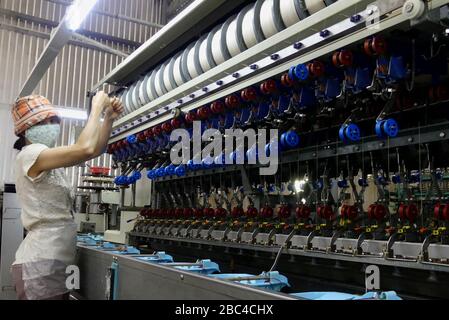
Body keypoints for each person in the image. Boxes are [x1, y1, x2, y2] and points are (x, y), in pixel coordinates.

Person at [10, 91, 123, 300]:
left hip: (55, 261)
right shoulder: (30, 155)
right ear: (26, 129)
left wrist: (107, 119)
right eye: (46, 121)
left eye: (54, 120)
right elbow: (85, 149)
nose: (53, 125)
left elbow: (95, 150)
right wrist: (96, 106)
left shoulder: (47, 157)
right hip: (40, 263)